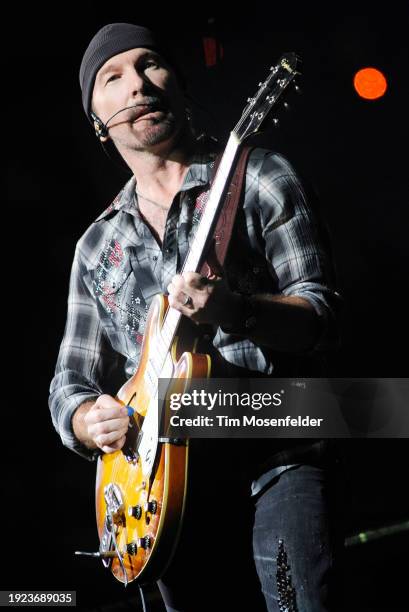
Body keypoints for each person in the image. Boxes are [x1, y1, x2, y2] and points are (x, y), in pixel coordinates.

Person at [49, 23, 345, 611]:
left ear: (178, 87)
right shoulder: (95, 247)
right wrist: (88, 420)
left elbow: (323, 316)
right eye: (114, 77)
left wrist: (238, 310)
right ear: (97, 121)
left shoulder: (260, 176)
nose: (138, 85)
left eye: (151, 65)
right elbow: (69, 383)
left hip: (276, 448)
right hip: (165, 490)